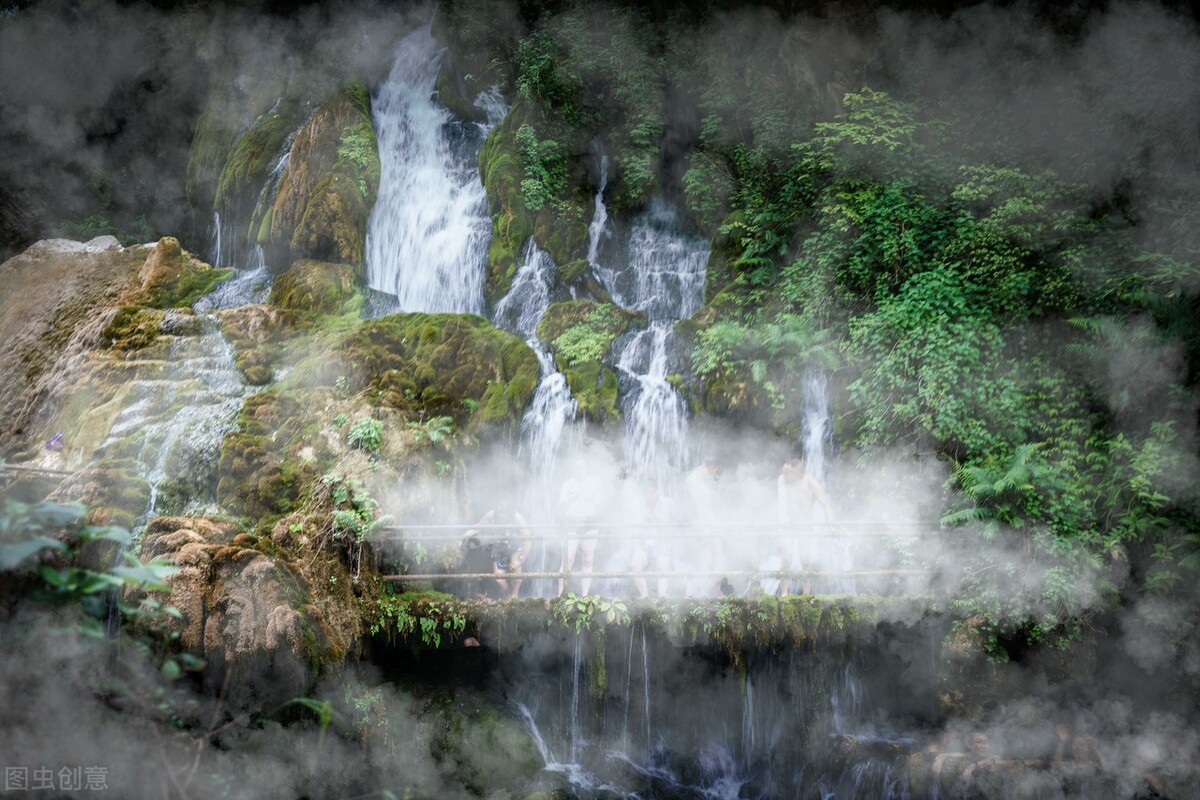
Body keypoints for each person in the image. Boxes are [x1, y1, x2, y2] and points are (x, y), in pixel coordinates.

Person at [776, 458, 833, 595]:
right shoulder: (782, 480)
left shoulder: (810, 483)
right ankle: (784, 593)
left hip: (805, 524)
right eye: (783, 472)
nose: (784, 475)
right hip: (787, 524)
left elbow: (826, 505)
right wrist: (781, 523)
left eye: (787, 473)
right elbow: (781, 502)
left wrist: (831, 525)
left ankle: (806, 594)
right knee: (785, 559)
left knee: (805, 560)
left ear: (796, 474)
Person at [461, 506, 531, 600]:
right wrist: (463, 537)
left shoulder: (517, 518)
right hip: (499, 548)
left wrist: (520, 559)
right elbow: (477, 528)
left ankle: (514, 597)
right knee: (499, 579)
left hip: (515, 548)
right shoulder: (491, 515)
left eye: (506, 517)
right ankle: (507, 595)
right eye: (501, 517)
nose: (503, 519)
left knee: (515, 570)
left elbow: (528, 539)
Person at [559, 457, 602, 596]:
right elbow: (563, 504)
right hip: (572, 523)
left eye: (582, 467)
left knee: (588, 560)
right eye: (577, 468)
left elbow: (592, 499)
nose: (579, 470)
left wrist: (575, 496)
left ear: (587, 469)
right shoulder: (567, 484)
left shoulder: (595, 481)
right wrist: (576, 496)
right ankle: (560, 595)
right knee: (568, 559)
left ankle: (585, 595)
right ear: (573, 470)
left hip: (590, 523)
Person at [683, 454, 723, 595]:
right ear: (711, 468)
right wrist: (701, 526)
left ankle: (714, 588)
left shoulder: (698, 479)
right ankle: (701, 591)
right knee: (705, 558)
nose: (711, 475)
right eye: (713, 471)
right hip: (701, 525)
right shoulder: (694, 480)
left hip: (708, 524)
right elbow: (694, 505)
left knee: (717, 556)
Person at [630, 481, 672, 599]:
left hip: (662, 542)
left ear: (657, 491)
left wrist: (654, 509)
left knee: (662, 567)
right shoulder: (638, 504)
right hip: (643, 543)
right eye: (647, 492)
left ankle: (662, 597)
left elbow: (668, 523)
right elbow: (635, 525)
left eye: (653, 491)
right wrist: (644, 514)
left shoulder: (666, 503)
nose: (650, 495)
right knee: (635, 565)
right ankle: (645, 596)